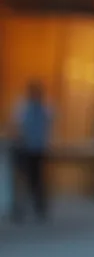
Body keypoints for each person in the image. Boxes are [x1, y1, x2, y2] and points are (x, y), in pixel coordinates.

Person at [9, 81, 53, 223]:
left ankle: (38, 207)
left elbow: (47, 127)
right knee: (23, 180)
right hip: (25, 148)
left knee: (37, 180)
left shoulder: (45, 109)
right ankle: (20, 209)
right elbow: (16, 126)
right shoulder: (23, 108)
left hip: (37, 149)